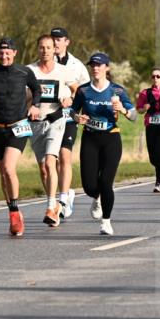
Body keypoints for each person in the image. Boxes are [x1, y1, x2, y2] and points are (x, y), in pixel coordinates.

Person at [0, 37, 41, 237]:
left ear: (14, 53)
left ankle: (14, 212)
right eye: (1, 52)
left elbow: (37, 90)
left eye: (8, 52)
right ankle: (12, 210)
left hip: (19, 126)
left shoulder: (24, 72)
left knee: (8, 167)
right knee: (3, 174)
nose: (4, 55)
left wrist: (35, 106)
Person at [71, 53, 136, 235]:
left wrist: (122, 110)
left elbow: (134, 116)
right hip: (90, 138)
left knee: (106, 182)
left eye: (99, 65)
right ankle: (96, 196)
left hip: (111, 139)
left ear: (107, 68)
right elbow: (72, 111)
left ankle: (106, 221)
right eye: (93, 65)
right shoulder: (83, 90)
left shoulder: (117, 91)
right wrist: (78, 118)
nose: (95, 68)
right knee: (89, 185)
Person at [27, 34, 80, 227]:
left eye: (49, 47)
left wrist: (70, 100)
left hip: (56, 120)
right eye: (42, 47)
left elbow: (76, 91)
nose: (45, 51)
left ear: (53, 49)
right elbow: (22, 94)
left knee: (51, 161)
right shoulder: (29, 71)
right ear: (38, 49)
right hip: (35, 122)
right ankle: (56, 204)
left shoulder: (63, 71)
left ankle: (51, 207)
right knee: (43, 169)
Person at [51, 27, 90, 218]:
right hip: (49, 117)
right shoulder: (44, 64)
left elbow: (87, 91)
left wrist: (77, 106)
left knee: (65, 155)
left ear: (67, 42)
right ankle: (65, 193)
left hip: (69, 116)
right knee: (52, 161)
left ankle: (64, 200)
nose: (56, 43)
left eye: (59, 39)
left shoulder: (77, 66)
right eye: (53, 39)